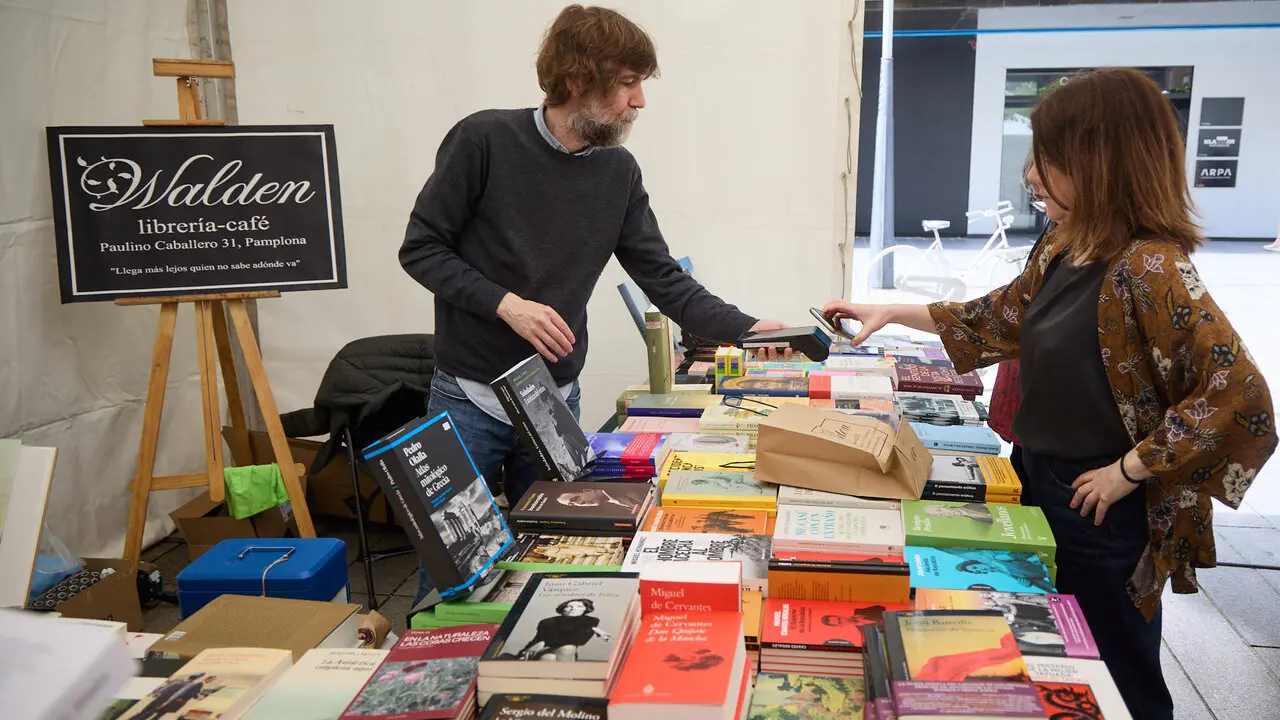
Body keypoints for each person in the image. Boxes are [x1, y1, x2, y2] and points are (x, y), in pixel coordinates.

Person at [823, 68, 1276, 720]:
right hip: (1035, 477)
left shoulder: (1152, 266)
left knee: (1117, 676)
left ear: (1100, 162)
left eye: (1048, 159)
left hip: (1099, 509)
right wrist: (888, 311)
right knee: (1050, 661)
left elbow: (1240, 395)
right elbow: (998, 316)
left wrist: (1130, 469)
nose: (1031, 175)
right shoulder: (1067, 244)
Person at [399, 5, 783, 605]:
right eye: (627, 83)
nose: (639, 102)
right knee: (452, 582)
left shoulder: (617, 171)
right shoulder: (484, 140)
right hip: (468, 399)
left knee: (560, 564)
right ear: (578, 79)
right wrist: (507, 305)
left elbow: (663, 277)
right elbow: (421, 249)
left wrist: (751, 328)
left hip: (554, 403)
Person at [518, 598, 611, 661]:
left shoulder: (591, 620)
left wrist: (544, 643)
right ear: (563, 609)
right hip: (542, 650)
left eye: (579, 606)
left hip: (564, 651)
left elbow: (578, 640)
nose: (573, 609)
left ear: (585, 609)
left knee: (565, 649)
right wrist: (527, 650)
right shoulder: (547, 621)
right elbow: (538, 639)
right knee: (548, 658)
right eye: (569, 606)